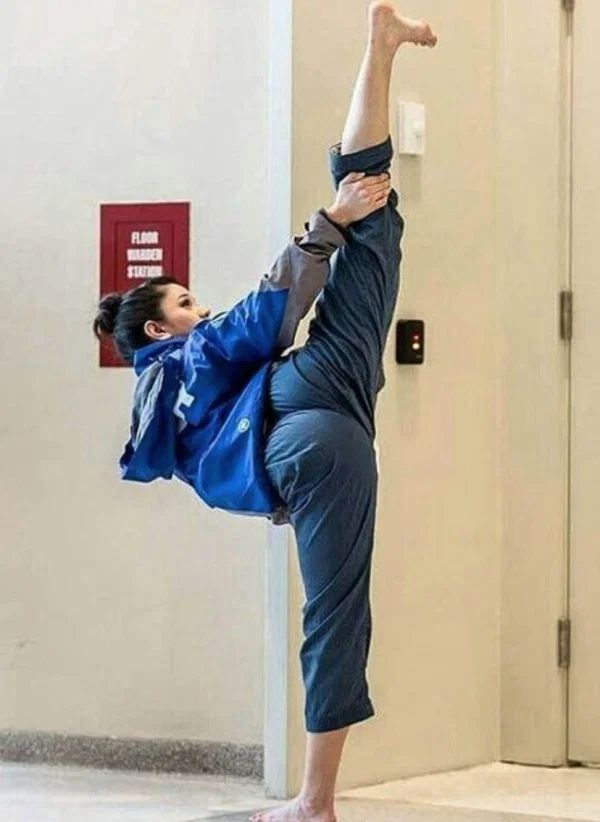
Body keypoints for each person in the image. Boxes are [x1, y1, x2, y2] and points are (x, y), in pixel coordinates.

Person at [93, 3, 437, 821]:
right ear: (154, 326)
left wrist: (338, 224)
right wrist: (323, 227)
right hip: (305, 407)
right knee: (361, 224)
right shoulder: (181, 358)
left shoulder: (164, 398)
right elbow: (260, 316)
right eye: (183, 301)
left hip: (311, 419)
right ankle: (312, 803)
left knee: (374, 217)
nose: (197, 306)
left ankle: (379, 49)